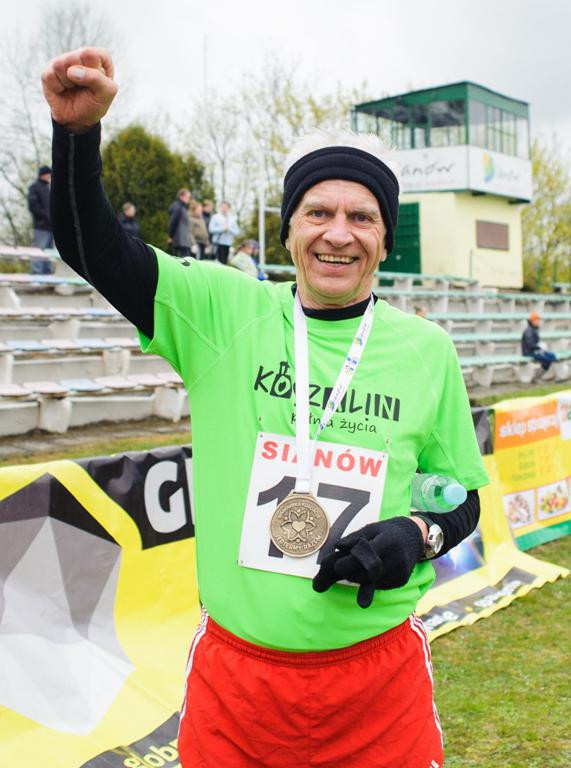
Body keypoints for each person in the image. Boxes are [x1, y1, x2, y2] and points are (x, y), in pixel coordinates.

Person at [42, 48, 489, 768]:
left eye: (361, 217)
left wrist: (418, 534)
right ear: (289, 229)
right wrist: (76, 135)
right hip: (239, 684)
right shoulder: (223, 311)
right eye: (318, 212)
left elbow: (461, 498)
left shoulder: (425, 349)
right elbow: (90, 246)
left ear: (384, 238)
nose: (338, 233)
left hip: (376, 682)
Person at [27, 165, 55, 274]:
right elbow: (33, 206)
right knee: (38, 250)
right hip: (40, 226)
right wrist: (46, 217)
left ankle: (47, 275)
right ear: (43, 174)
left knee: (49, 252)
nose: (50, 176)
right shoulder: (34, 187)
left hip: (50, 227)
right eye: (49, 174)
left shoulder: (48, 188)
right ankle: (36, 273)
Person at [521, 312, 557, 378]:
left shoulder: (535, 329)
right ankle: (536, 377)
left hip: (536, 350)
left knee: (552, 356)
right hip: (529, 352)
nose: (537, 321)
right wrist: (539, 346)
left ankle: (538, 376)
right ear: (531, 321)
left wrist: (540, 347)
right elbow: (530, 344)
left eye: (538, 320)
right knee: (547, 359)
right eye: (535, 320)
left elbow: (536, 342)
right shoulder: (528, 331)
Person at [208, 200, 240, 264]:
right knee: (217, 262)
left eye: (225, 207)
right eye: (222, 207)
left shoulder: (232, 219)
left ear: (229, 208)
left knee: (224, 262)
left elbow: (237, 231)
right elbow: (211, 229)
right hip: (218, 243)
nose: (224, 209)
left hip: (227, 244)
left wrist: (229, 229)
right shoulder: (215, 217)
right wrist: (222, 228)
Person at [168, 188, 194, 258]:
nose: (189, 199)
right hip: (179, 241)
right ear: (181, 196)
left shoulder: (183, 207)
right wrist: (170, 236)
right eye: (187, 197)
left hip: (184, 241)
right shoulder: (178, 207)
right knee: (181, 261)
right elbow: (173, 222)